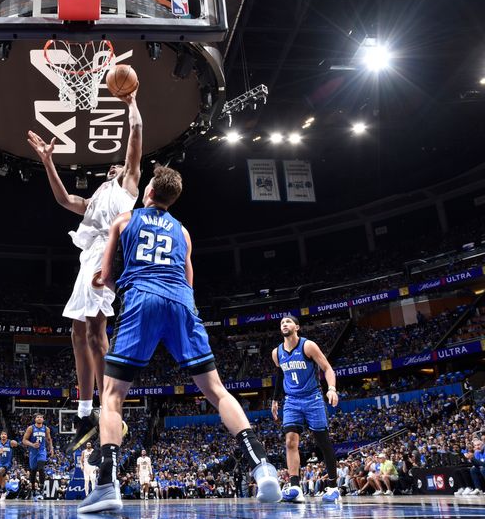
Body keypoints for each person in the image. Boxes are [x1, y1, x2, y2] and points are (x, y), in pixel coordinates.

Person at [78, 167, 281, 513]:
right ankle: (262, 466)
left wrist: (102, 284)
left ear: (149, 191)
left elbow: (109, 276)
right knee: (216, 391)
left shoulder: (125, 221)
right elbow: (188, 281)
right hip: (181, 302)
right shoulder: (183, 232)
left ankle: (107, 485)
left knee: (112, 396)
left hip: (142, 299)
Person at [26, 89, 142, 452]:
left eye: (120, 165)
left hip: (107, 256)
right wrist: (47, 161)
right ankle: (84, 410)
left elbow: (135, 140)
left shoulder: (127, 187)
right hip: (87, 260)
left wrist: (132, 106)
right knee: (78, 333)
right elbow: (63, 199)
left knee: (95, 331)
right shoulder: (95, 200)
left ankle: (112, 404)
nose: (115, 165)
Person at [271, 315, 341, 503]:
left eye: (288, 322)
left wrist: (332, 389)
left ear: (297, 327)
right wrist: (275, 399)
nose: (284, 324)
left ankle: (334, 487)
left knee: (323, 443)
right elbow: (280, 375)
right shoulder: (276, 352)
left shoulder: (308, 346)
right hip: (292, 400)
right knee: (290, 441)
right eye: (281, 323)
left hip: (313, 398)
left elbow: (327, 368)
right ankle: (295, 486)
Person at [22, 413, 54, 501]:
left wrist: (51, 448)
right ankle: (32, 489)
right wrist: (32, 444)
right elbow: (24, 440)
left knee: (41, 467)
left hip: (42, 451)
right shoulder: (31, 428)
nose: (39, 418)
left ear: (43, 420)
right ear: (35, 419)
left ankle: (41, 489)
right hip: (33, 452)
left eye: (41, 417)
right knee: (33, 471)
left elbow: (49, 439)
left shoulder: (46, 429)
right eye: (38, 417)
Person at [0, 431, 18, 502]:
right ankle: (3, 492)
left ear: (7, 436)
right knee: (1, 475)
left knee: (0, 472)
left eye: (5, 434)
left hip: (8, 462)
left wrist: (16, 443)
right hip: (1, 462)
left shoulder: (10, 442)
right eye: (2, 434)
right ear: (0, 436)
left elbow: (17, 445)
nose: (3, 435)